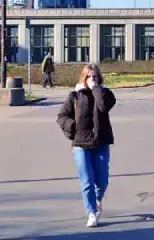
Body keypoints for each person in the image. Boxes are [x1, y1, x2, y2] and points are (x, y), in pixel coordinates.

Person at [56, 63, 117, 228]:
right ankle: (92, 212)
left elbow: (103, 106)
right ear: (83, 78)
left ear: (99, 78)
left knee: (102, 181)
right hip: (81, 144)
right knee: (87, 180)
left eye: (95, 76)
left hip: (101, 142)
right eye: (89, 76)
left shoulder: (105, 93)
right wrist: (73, 126)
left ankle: (97, 200)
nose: (92, 79)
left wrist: (96, 88)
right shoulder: (74, 96)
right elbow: (61, 116)